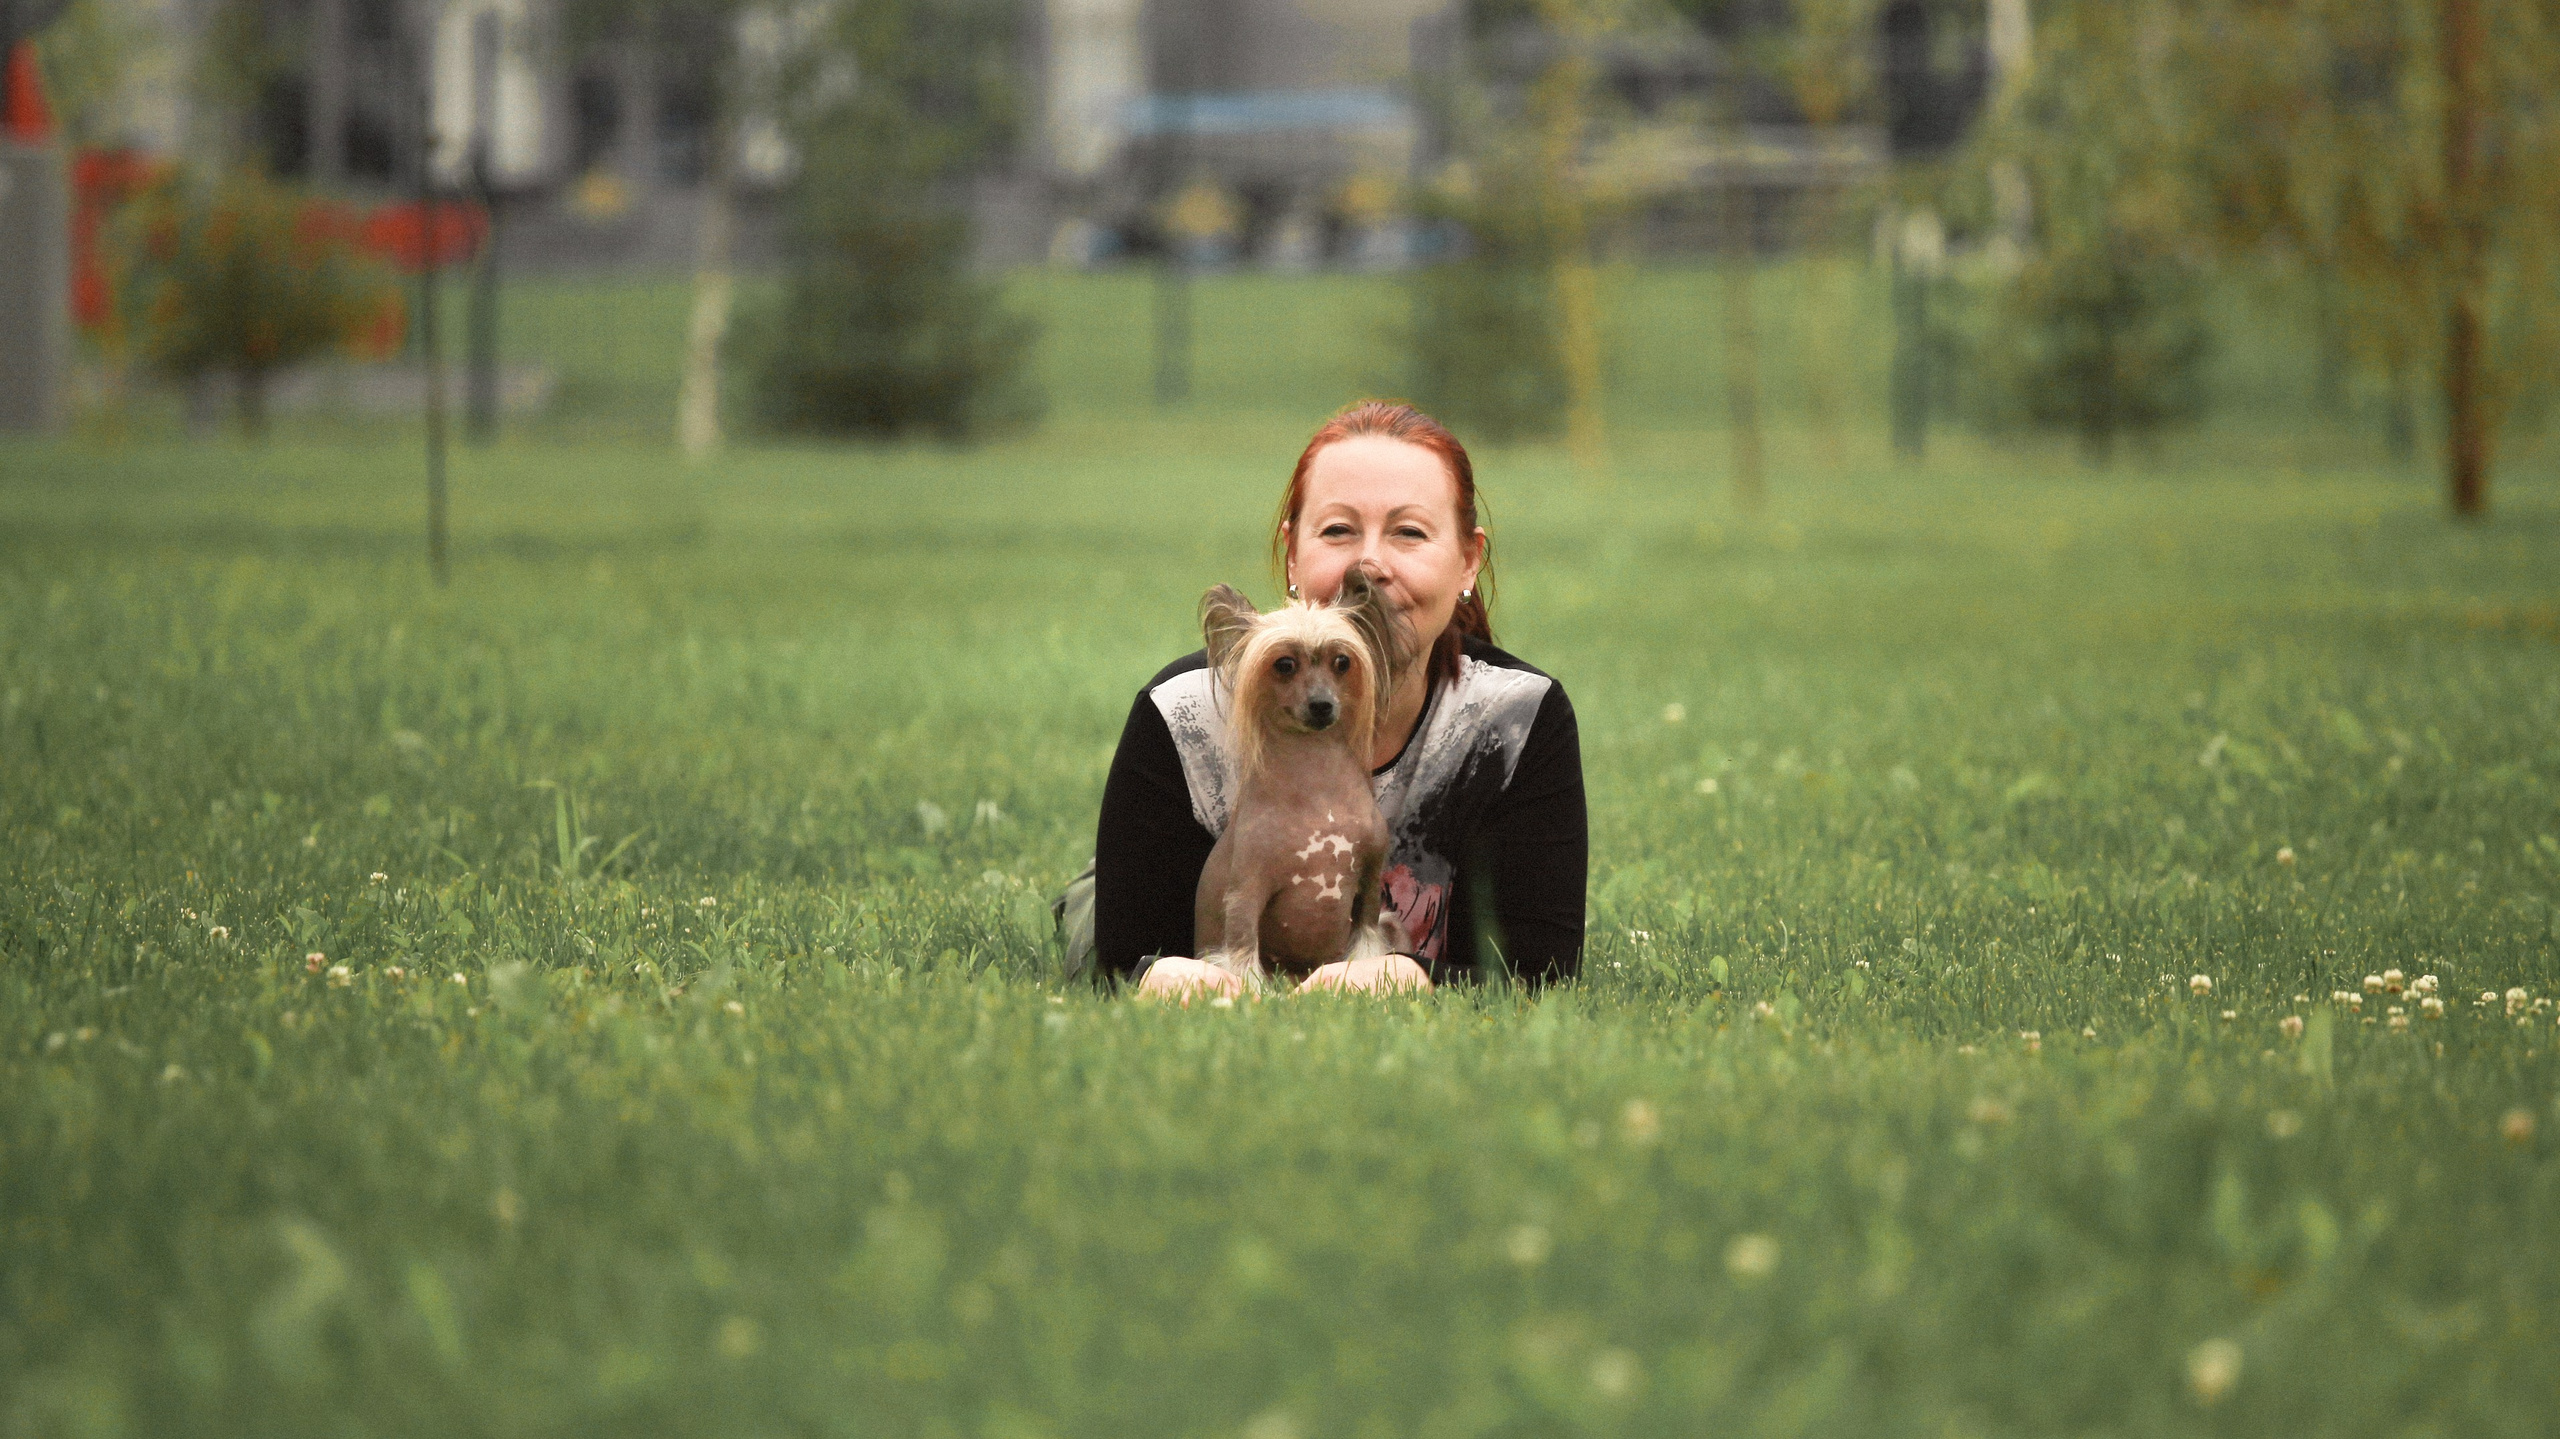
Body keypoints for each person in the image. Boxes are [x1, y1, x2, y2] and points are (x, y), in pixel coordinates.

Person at [1088, 400, 1587, 1001]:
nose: (1370, 564)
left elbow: (1538, 975)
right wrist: (1164, 978)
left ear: (1468, 562)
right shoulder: (1185, 714)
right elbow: (1122, 960)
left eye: (1409, 532)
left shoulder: (1515, 721)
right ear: (1292, 553)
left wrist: (1410, 978)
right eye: (1338, 531)